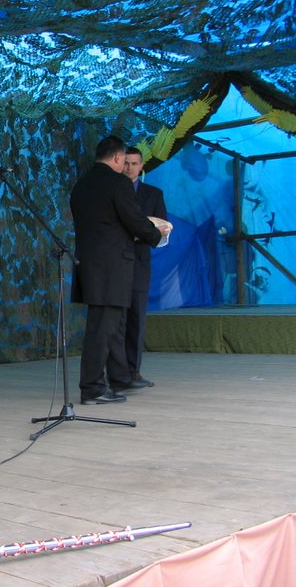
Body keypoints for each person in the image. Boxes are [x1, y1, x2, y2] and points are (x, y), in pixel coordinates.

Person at [69, 136, 171, 405]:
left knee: (109, 327)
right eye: (124, 160)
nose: (126, 166)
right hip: (112, 268)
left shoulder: (81, 185)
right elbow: (134, 220)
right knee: (103, 329)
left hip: (90, 265)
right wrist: (157, 233)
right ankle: (92, 388)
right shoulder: (118, 183)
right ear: (117, 157)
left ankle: (116, 378)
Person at [122, 146, 168, 389]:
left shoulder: (153, 194)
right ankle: (114, 372)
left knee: (136, 318)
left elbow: (162, 230)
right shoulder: (112, 191)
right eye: (126, 163)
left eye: (134, 163)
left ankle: (133, 371)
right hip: (114, 262)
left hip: (139, 263)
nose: (129, 168)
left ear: (141, 166)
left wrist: (141, 233)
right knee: (115, 320)